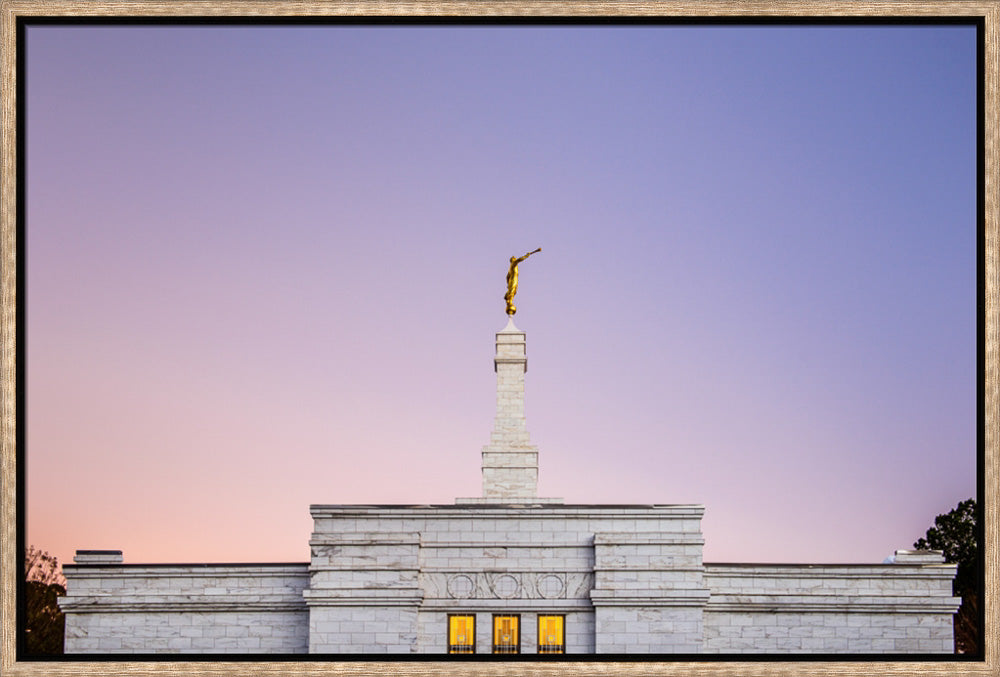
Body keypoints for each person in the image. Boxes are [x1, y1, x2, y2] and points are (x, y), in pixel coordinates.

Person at [504, 248, 541, 315]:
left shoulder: (510, 268)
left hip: (513, 279)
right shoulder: (513, 263)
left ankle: (510, 301)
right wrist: (526, 256)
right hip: (513, 279)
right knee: (512, 291)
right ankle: (510, 301)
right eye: (514, 258)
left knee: (513, 291)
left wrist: (508, 284)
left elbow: (507, 277)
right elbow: (519, 259)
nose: (515, 259)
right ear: (512, 260)